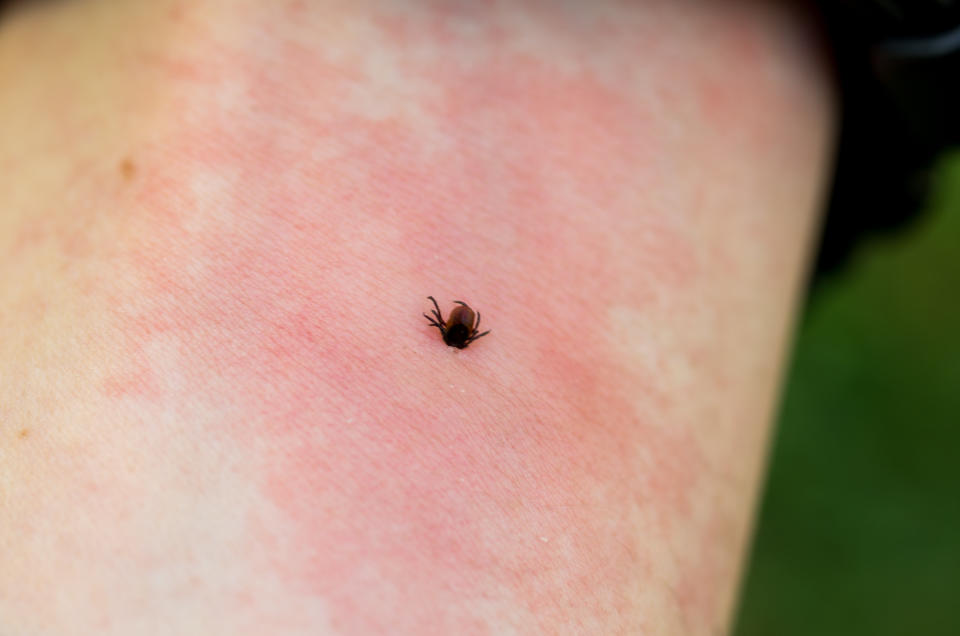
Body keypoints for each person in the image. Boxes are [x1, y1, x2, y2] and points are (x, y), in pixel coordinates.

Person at [0, 0, 834, 633]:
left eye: (454, 333)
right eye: (455, 332)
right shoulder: (461, 330)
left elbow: (451, 322)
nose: (454, 335)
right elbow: (462, 324)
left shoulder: (451, 328)